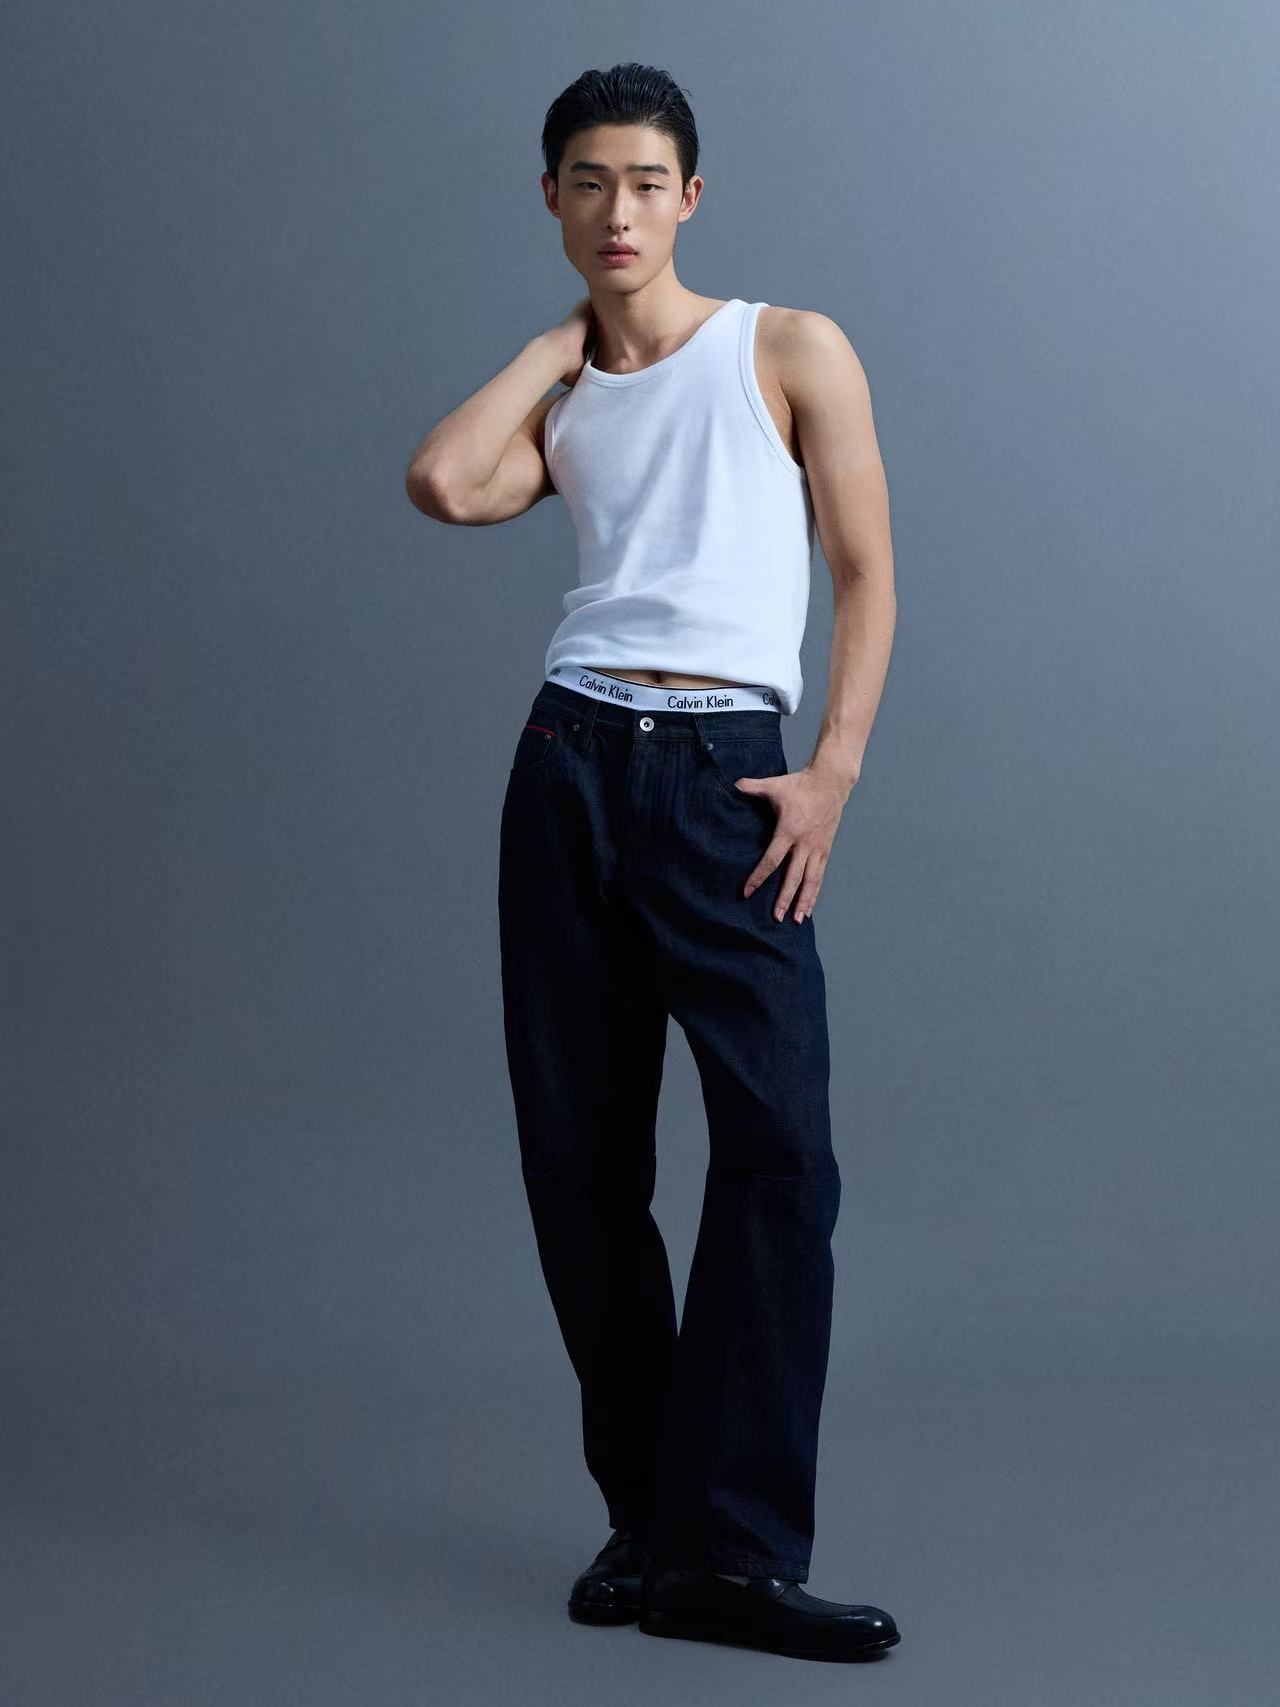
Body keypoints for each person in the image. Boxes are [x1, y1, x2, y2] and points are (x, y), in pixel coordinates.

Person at [406, 61, 899, 1663]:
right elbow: (443, 481)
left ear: (690, 198)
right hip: (568, 766)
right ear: (552, 201)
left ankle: (734, 1552)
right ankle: (652, 1521)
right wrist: (557, 348)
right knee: (581, 1162)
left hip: (722, 776)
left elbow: (866, 569)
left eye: (644, 182)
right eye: (586, 183)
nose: (617, 211)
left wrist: (831, 771)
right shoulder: (567, 407)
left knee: (779, 1153)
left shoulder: (787, 346)